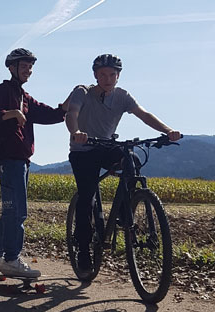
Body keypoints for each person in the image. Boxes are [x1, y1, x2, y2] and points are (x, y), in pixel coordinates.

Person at [65, 54, 181, 272]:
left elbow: (144, 115)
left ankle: (123, 210)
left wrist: (167, 131)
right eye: (102, 75)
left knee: (132, 159)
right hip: (83, 149)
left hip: (106, 147)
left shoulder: (122, 96)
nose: (107, 79)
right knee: (87, 196)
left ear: (118, 76)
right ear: (95, 76)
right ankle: (83, 248)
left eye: (111, 75)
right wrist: (76, 132)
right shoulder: (82, 91)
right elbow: (72, 113)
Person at [0, 48, 68, 278]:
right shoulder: (3, 90)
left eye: (30, 67)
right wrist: (12, 113)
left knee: (10, 212)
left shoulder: (25, 97)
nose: (28, 70)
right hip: (10, 161)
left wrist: (65, 108)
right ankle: (11, 259)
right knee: (17, 212)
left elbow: (49, 115)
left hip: (22, 162)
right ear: (12, 68)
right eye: (24, 66)